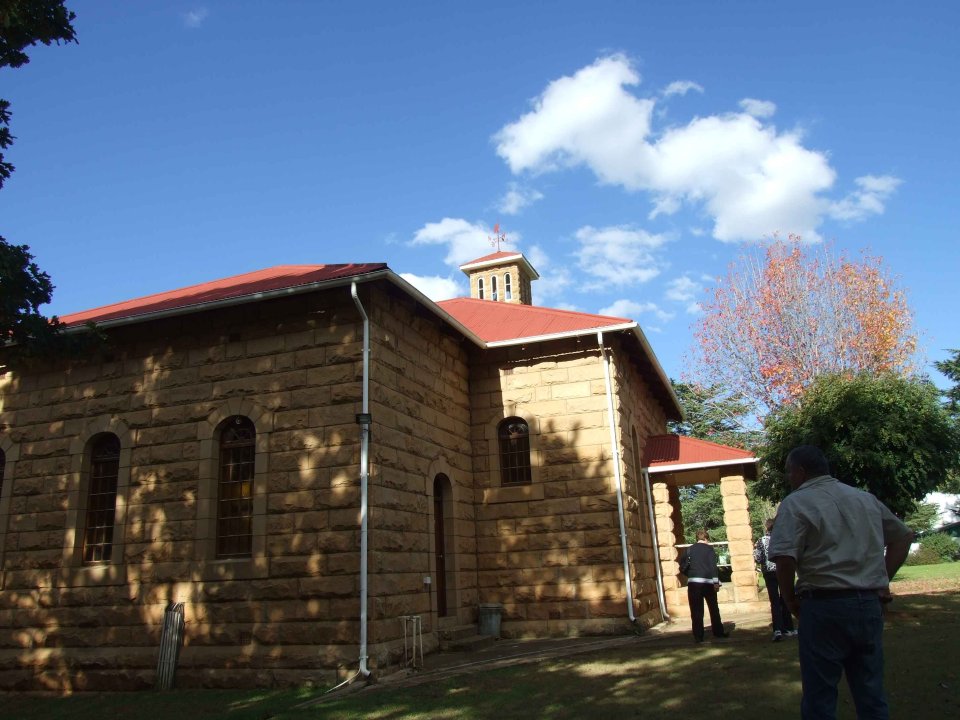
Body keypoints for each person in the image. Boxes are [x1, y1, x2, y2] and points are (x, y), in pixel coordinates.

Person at [768, 445, 914, 720]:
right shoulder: (865, 499)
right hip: (868, 604)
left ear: (800, 471)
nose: (789, 477)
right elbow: (903, 536)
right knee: (871, 693)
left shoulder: (796, 503)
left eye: (789, 471)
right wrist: (882, 580)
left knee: (820, 697)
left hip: (824, 606)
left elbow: (785, 557)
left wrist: (788, 599)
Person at [682, 528, 729, 643]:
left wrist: (690, 575)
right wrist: (716, 583)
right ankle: (718, 632)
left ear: (696, 538)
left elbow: (681, 565)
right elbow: (713, 567)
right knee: (713, 608)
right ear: (706, 538)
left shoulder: (689, 549)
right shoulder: (709, 550)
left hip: (693, 583)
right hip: (708, 583)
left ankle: (698, 636)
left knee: (696, 610)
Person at [754, 517, 796, 642]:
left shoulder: (761, 540)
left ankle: (777, 629)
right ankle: (788, 628)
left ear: (767, 527)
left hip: (768, 572)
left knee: (774, 601)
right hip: (782, 570)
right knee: (785, 598)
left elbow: (758, 558)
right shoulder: (783, 539)